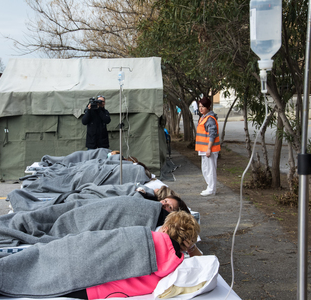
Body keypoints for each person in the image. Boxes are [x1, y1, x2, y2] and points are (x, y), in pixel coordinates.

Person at [63, 210, 201, 299]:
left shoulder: (145, 237)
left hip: (81, 274)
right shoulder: (180, 268)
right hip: (100, 292)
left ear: (165, 228)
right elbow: (204, 263)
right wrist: (191, 248)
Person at [196, 96, 220, 196]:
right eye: (199, 106)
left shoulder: (210, 119)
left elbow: (212, 134)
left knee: (210, 170)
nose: (200, 109)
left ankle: (211, 189)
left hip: (209, 149)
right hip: (204, 148)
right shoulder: (203, 117)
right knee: (205, 169)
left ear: (208, 107)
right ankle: (209, 187)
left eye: (203, 107)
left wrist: (209, 148)